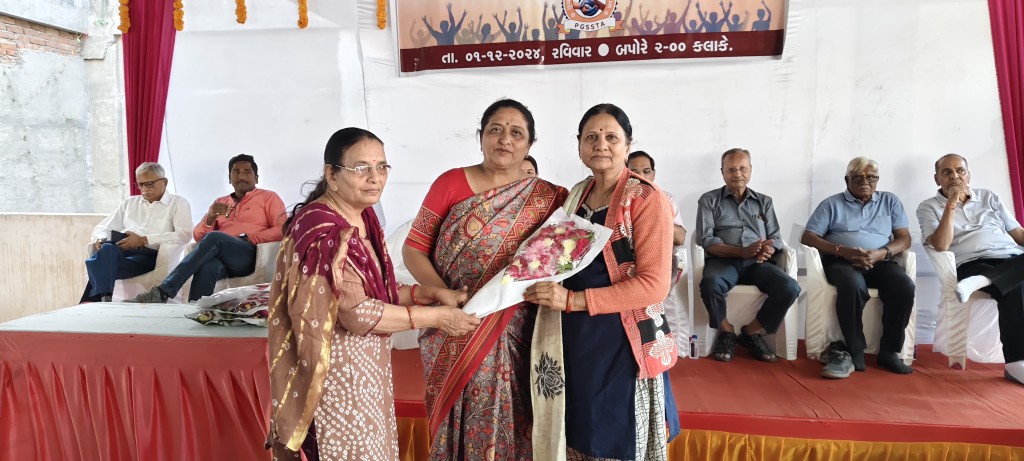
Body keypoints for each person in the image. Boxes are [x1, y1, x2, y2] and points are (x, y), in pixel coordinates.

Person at [265, 128, 480, 460]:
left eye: (382, 167)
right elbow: (356, 312)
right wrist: (437, 317)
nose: (375, 177)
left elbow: (380, 290)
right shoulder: (323, 231)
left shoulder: (363, 217)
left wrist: (429, 293)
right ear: (331, 174)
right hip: (337, 376)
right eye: (361, 168)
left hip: (370, 368)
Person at [402, 99, 568, 460]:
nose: (505, 139)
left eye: (516, 133)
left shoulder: (549, 198)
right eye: (495, 130)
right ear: (480, 137)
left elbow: (564, 256)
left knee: (519, 416)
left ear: (529, 144)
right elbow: (414, 248)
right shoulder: (450, 182)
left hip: (519, 327)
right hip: (455, 323)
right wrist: (444, 296)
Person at [524, 103, 679, 461]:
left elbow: (654, 285)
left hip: (622, 338)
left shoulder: (646, 198)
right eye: (591, 137)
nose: (601, 144)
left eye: (612, 137)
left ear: (628, 145)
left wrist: (574, 301)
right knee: (579, 431)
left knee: (615, 435)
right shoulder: (576, 197)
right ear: (579, 144)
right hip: (575, 335)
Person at [801, 157, 915, 379]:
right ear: (847, 180)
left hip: (879, 260)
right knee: (853, 285)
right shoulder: (831, 204)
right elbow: (808, 236)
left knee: (904, 287)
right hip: (841, 261)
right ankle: (855, 350)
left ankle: (889, 351)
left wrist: (881, 253)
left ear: (877, 180)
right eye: (858, 177)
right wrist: (842, 251)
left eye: (871, 177)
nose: (865, 181)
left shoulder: (890, 201)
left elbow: (905, 239)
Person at [917, 153, 1024, 385]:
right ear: (937, 179)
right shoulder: (928, 207)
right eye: (947, 172)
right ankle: (1017, 363)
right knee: (1015, 284)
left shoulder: (989, 197)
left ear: (969, 175)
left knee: (1013, 277)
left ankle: (984, 280)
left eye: (960, 171)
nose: (955, 176)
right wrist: (951, 203)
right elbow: (941, 244)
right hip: (972, 263)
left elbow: (1018, 234)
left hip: (1011, 258)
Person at [126, 154, 287, 303]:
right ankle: (196, 311)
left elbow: (282, 229)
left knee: (215, 237)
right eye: (236, 172)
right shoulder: (221, 202)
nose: (241, 176)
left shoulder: (269, 197)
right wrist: (210, 218)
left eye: (247, 172)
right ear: (229, 178)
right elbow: (197, 236)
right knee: (207, 267)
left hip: (250, 254)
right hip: (222, 257)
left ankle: (163, 291)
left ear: (256, 178)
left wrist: (249, 238)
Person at [695, 148, 800, 363]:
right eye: (731, 169)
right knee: (710, 284)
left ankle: (751, 332)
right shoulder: (709, 200)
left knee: (790, 287)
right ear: (722, 172)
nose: (737, 174)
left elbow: (775, 238)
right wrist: (740, 251)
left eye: (743, 169)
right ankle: (726, 331)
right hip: (723, 261)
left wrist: (768, 249)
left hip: (757, 263)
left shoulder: (764, 201)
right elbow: (706, 240)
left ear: (750, 170)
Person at [82, 162, 192, 302]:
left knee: (97, 262)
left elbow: (184, 234)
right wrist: (100, 238)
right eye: (140, 184)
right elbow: (102, 227)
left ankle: (96, 300)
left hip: (148, 256)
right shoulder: (130, 203)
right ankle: (105, 298)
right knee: (106, 248)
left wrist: (144, 240)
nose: (144, 189)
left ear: (164, 182)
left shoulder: (178, 203)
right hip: (120, 251)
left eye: (149, 184)